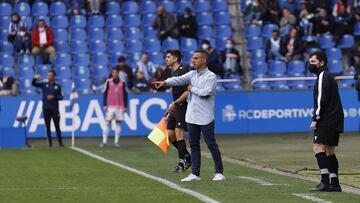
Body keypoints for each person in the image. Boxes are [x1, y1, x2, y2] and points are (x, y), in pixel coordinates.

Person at [153, 50, 225, 182]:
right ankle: (195, 173)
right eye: (193, 58)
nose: (193, 60)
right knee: (194, 145)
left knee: (211, 144)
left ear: (204, 60)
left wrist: (192, 89)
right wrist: (165, 82)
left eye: (196, 58)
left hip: (205, 116)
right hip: (191, 116)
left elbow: (206, 93)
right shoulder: (192, 74)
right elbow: (178, 80)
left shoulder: (211, 76)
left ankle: (219, 172)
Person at [308, 51, 344, 192]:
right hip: (335, 118)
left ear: (321, 63)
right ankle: (334, 183)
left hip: (327, 118)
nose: (310, 64)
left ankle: (324, 182)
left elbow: (321, 100)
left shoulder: (323, 76)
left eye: (313, 62)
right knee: (329, 151)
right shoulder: (328, 76)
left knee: (318, 148)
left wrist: (315, 119)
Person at [162, 50, 192, 173]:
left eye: (168, 57)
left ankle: (181, 163)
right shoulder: (172, 72)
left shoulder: (183, 70)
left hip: (182, 106)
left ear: (175, 59)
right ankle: (188, 157)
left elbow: (188, 91)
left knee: (179, 134)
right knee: (169, 136)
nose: (166, 59)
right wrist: (172, 105)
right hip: (175, 106)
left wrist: (176, 103)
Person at [32, 70, 64, 147]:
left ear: (54, 76)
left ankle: (60, 143)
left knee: (57, 126)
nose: (49, 77)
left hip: (55, 109)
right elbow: (33, 84)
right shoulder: (44, 84)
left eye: (50, 75)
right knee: (48, 127)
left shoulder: (57, 86)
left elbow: (61, 97)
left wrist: (54, 97)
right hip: (46, 109)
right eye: (48, 75)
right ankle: (50, 144)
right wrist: (35, 78)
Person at [100, 68, 128, 148]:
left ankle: (116, 141)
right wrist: (105, 105)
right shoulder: (108, 82)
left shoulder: (122, 83)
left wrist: (125, 106)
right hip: (110, 106)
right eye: (113, 72)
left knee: (118, 123)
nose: (114, 74)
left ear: (118, 73)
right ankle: (104, 141)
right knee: (107, 122)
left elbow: (125, 95)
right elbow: (105, 93)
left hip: (119, 106)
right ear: (112, 74)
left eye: (116, 72)